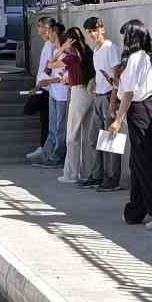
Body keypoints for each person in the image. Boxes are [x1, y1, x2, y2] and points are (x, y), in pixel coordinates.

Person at [108, 22, 152, 229]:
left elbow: (129, 93)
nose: (123, 41)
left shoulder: (137, 58)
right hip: (147, 109)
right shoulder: (148, 56)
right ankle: (136, 211)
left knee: (146, 164)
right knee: (137, 163)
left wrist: (117, 120)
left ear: (132, 38)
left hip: (140, 110)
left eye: (125, 36)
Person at [80, 17, 125, 191]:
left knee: (111, 140)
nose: (92, 34)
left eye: (95, 30)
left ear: (102, 29)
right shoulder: (96, 50)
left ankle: (112, 178)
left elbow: (116, 76)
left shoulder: (110, 48)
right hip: (98, 97)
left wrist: (113, 101)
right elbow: (101, 73)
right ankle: (97, 175)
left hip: (108, 97)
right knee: (94, 139)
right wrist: (93, 81)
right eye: (89, 31)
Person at [59, 26, 99, 185]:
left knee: (72, 135)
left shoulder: (72, 55)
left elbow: (51, 65)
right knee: (86, 135)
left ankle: (71, 173)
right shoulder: (88, 51)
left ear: (69, 41)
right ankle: (86, 172)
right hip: (90, 93)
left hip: (78, 93)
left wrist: (61, 49)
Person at [34, 18, 71, 168]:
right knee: (52, 128)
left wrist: (47, 81)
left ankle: (57, 157)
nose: (47, 35)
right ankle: (48, 155)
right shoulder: (56, 51)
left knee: (60, 128)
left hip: (62, 95)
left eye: (50, 33)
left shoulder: (66, 53)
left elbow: (63, 77)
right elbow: (48, 67)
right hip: (54, 94)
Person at [26, 17, 57, 161]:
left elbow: (49, 69)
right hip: (42, 86)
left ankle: (47, 150)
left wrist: (40, 84)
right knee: (44, 120)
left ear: (47, 28)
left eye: (40, 26)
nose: (38, 29)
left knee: (33, 110)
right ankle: (43, 147)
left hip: (47, 88)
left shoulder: (52, 46)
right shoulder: (46, 44)